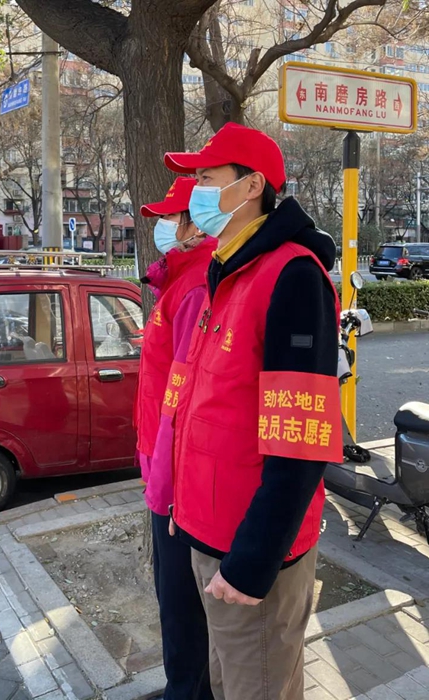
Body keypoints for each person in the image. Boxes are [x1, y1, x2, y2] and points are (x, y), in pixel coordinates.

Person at [164, 123, 342, 700]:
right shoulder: (227, 271)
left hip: (247, 557)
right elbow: (207, 408)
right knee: (226, 683)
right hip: (207, 535)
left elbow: (301, 441)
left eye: (207, 178)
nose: (195, 191)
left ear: (251, 186)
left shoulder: (292, 276)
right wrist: (183, 509)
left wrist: (253, 561)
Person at [134, 176, 216, 700]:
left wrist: (164, 491)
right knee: (177, 607)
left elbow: (182, 402)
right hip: (164, 473)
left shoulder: (194, 288)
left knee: (183, 613)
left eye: (170, 217)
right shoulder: (179, 282)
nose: (163, 227)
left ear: (193, 223)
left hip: (175, 484)